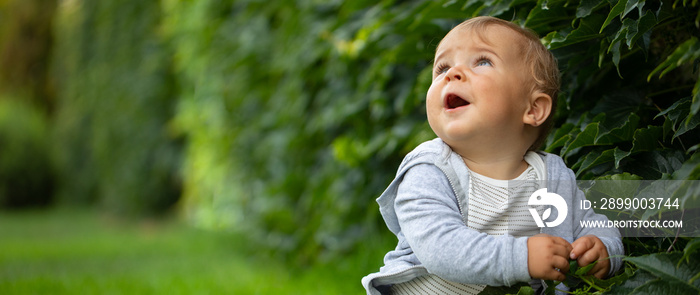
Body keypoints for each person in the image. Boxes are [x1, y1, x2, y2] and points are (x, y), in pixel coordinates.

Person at [361, 16, 623, 295]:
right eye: (442, 67)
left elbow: (592, 224)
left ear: (533, 109)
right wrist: (521, 257)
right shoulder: (429, 169)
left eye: (483, 61)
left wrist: (603, 249)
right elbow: (440, 248)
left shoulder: (551, 176)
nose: (452, 73)